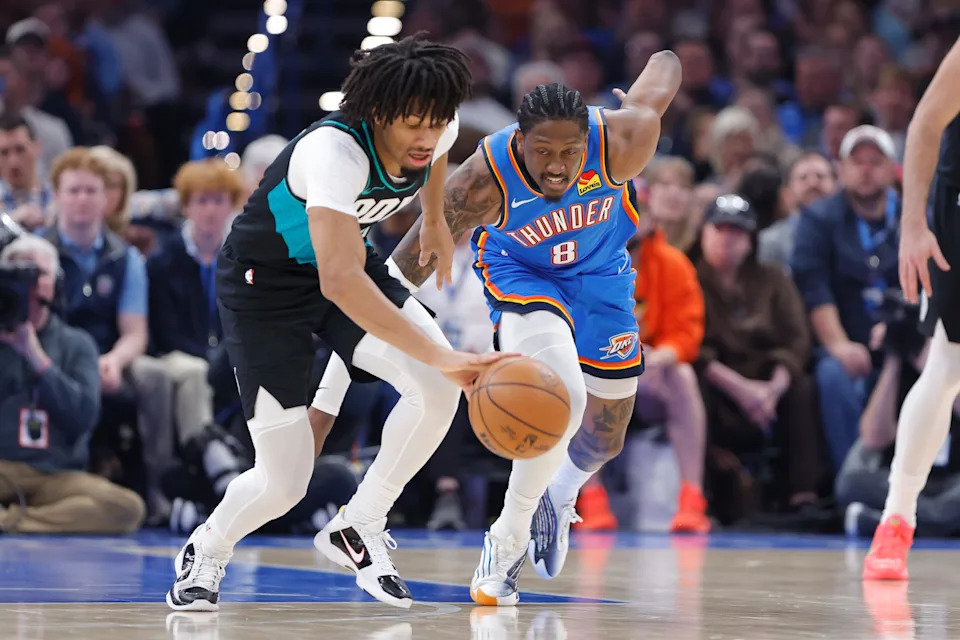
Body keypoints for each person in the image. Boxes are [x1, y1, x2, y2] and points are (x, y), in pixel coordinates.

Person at [313, 51, 682, 606]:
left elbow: (666, 65)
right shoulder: (484, 179)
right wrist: (329, 390)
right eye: (542, 152)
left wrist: (643, 91)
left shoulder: (625, 140)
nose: (557, 166)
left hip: (602, 275)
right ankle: (505, 546)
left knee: (604, 437)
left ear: (589, 140)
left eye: (569, 153)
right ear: (520, 141)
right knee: (563, 395)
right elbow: (391, 282)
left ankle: (560, 494)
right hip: (523, 275)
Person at [165, 36, 509, 612]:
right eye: (413, 124)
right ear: (378, 113)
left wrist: (432, 219)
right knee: (285, 480)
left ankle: (360, 524)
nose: (428, 137)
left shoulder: (438, 127)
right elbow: (341, 284)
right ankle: (208, 547)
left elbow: (438, 160)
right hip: (264, 287)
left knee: (437, 391)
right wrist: (442, 355)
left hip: (346, 260)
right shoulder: (333, 152)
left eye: (437, 122)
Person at [863, 37, 960, 581]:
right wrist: (912, 227)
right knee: (950, 364)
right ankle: (896, 520)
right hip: (957, 203)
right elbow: (925, 123)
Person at [0, 233, 145, 534]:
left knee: (126, 508)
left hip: (56, 476)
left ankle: (13, 521)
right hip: (3, 467)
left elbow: (83, 418)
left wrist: (37, 358)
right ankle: (34, 519)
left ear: (56, 283)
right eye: (19, 275)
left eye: (38, 274)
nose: (31, 283)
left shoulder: (77, 344)